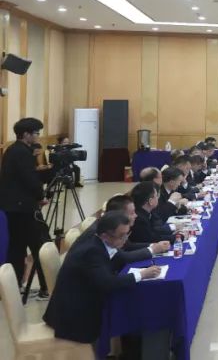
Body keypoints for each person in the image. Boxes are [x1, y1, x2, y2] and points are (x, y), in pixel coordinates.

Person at [43, 210, 162, 344]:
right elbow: (108, 283)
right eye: (121, 236)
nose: (125, 239)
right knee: (133, 308)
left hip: (83, 299)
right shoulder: (92, 250)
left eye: (127, 234)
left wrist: (152, 251)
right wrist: (142, 274)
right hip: (75, 316)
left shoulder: (101, 241)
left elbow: (121, 258)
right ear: (105, 236)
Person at [0, 118, 50, 299]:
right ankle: (47, 286)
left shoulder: (12, 150)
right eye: (36, 133)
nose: (38, 136)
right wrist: (41, 196)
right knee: (41, 246)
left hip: (12, 208)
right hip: (24, 209)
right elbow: (30, 180)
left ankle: (13, 286)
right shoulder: (22, 153)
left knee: (16, 247)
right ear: (26, 134)